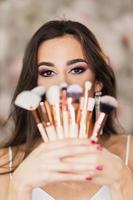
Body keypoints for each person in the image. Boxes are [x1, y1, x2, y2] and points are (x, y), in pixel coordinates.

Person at [0, 20, 133, 200]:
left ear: (98, 82)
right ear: (34, 85)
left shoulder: (129, 152)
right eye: (47, 73)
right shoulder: (4, 164)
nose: (63, 84)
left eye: (76, 69)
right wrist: (20, 186)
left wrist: (122, 181)